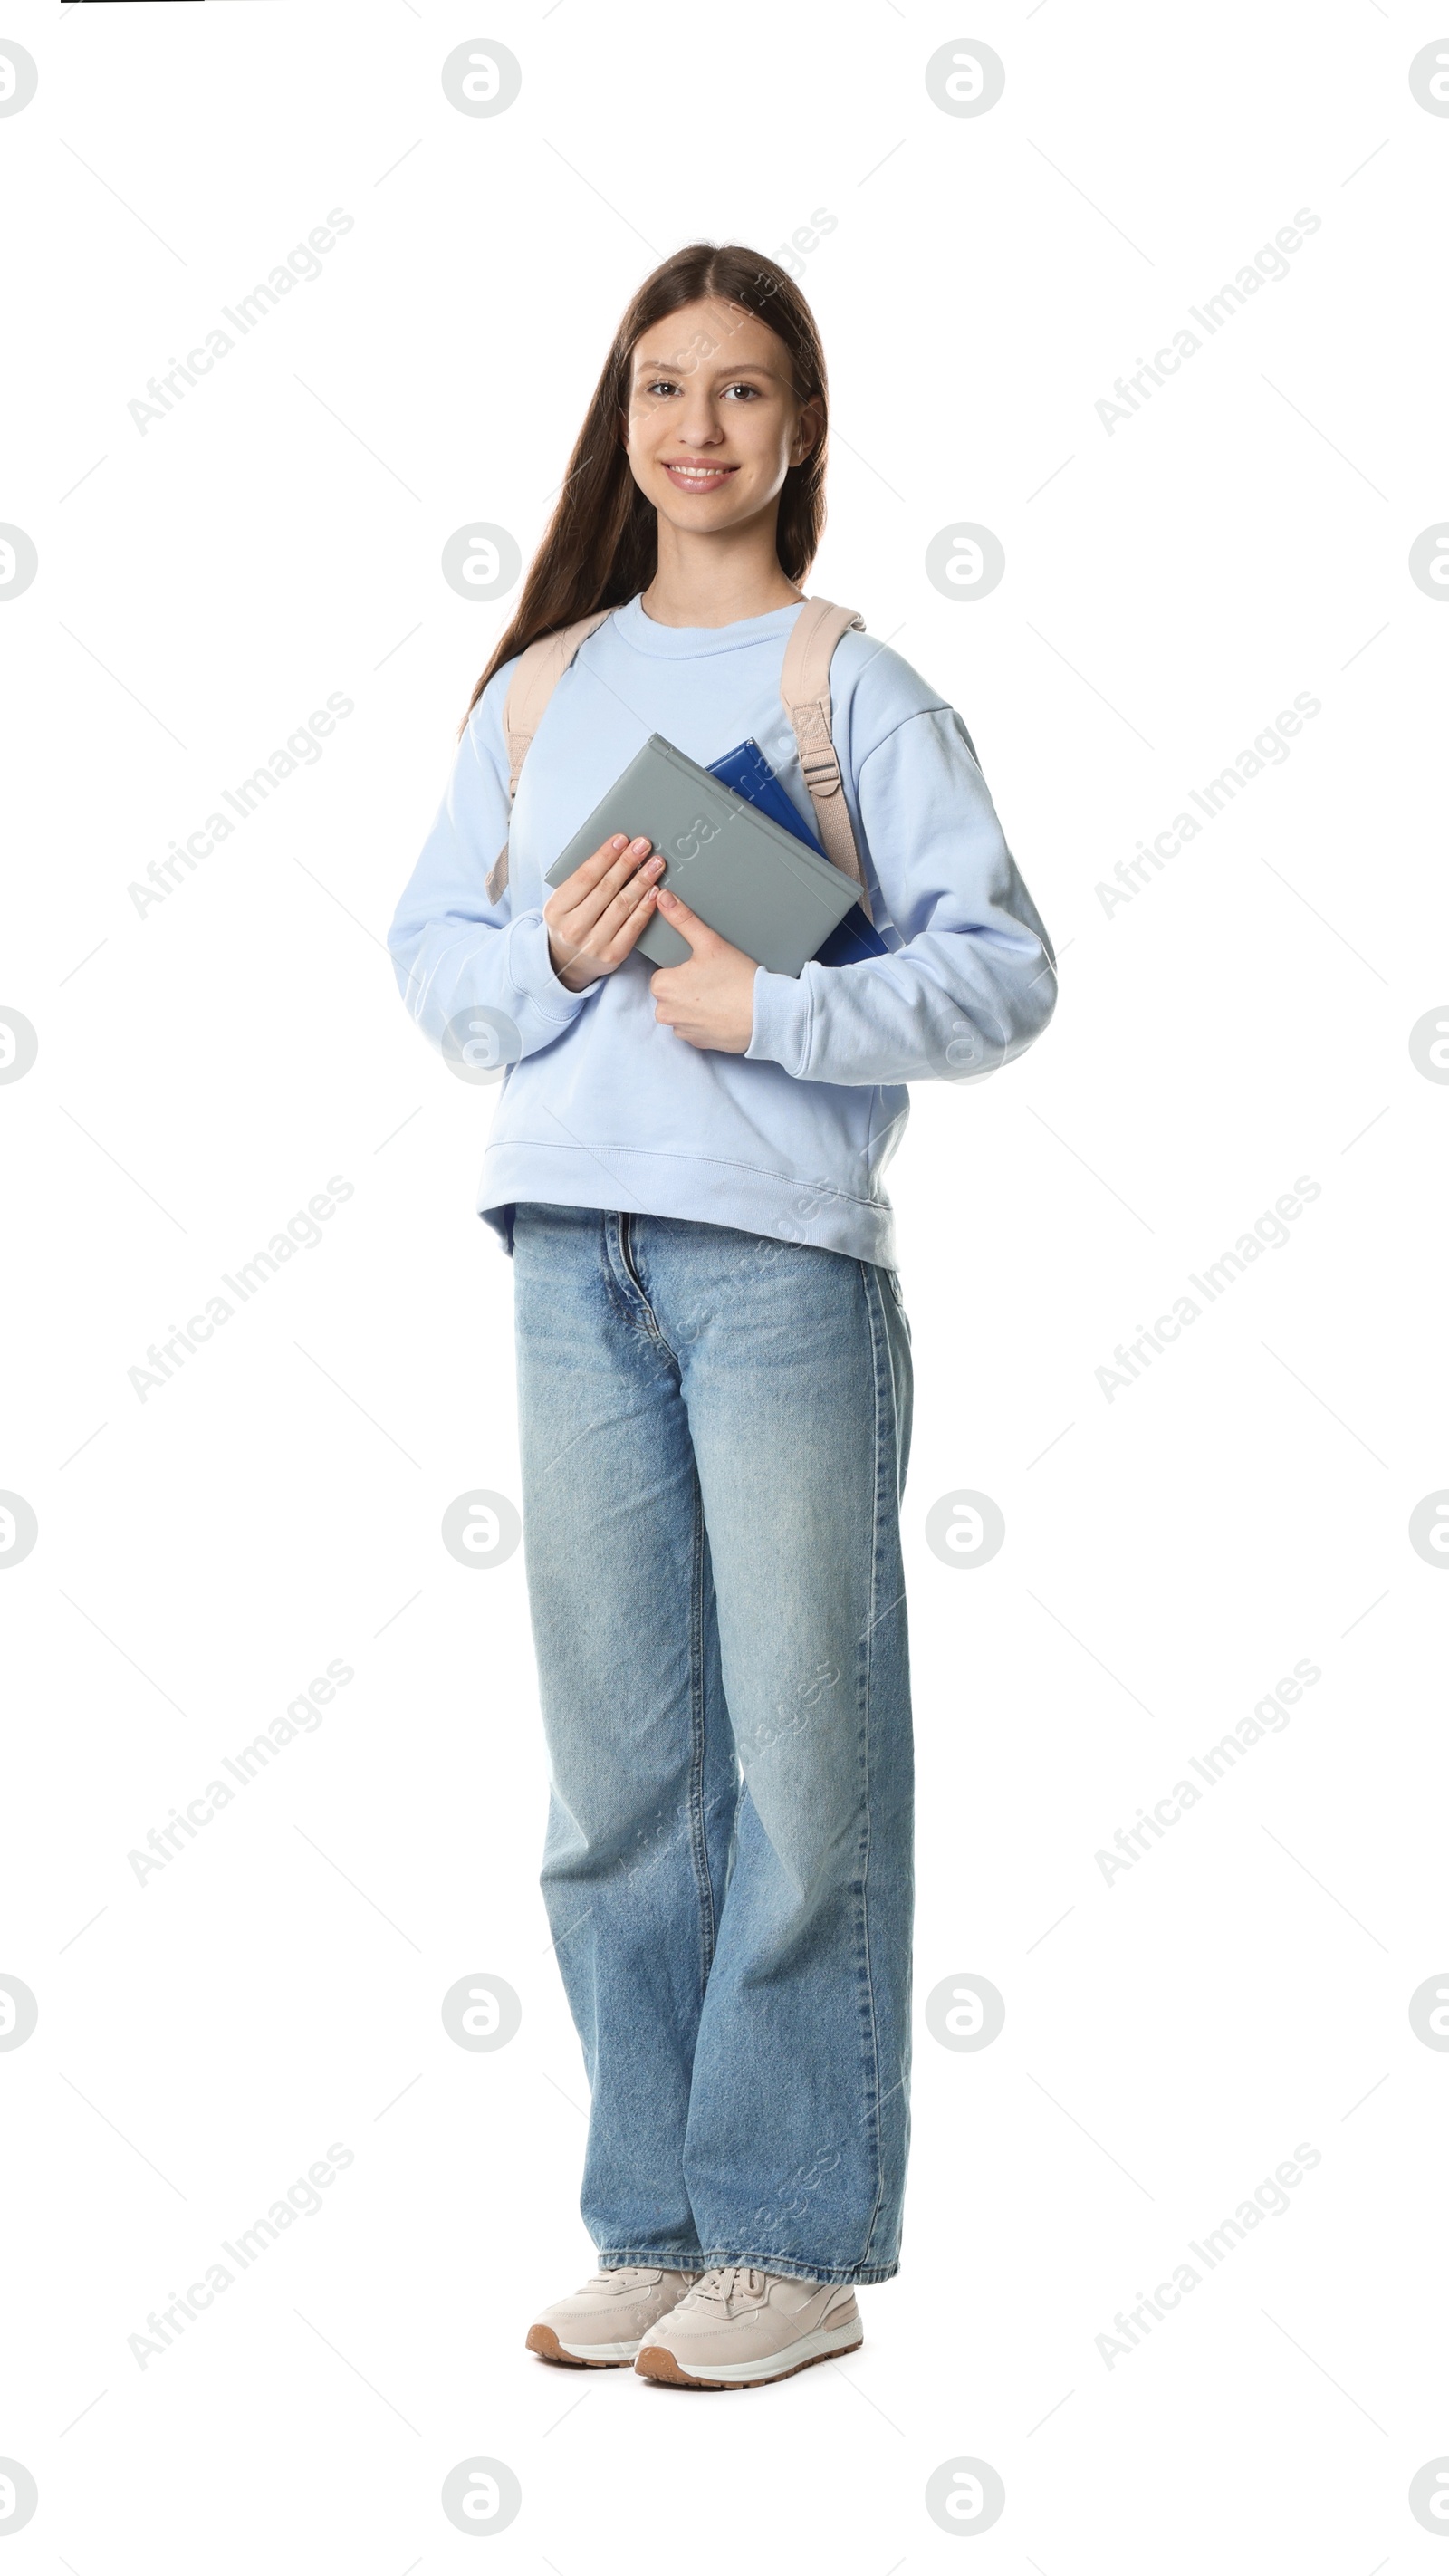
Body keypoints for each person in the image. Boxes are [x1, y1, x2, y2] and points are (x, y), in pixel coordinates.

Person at [388, 241, 1056, 2390]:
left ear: (799, 429)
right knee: (615, 1784)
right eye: (661, 387)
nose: (696, 428)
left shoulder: (842, 688)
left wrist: (764, 998)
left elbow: (1002, 969)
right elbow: (436, 961)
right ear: (620, 420)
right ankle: (655, 2218)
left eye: (741, 391)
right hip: (562, 1255)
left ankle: (791, 2243)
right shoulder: (535, 687)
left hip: (774, 1271)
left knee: (801, 1756)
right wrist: (561, 966)